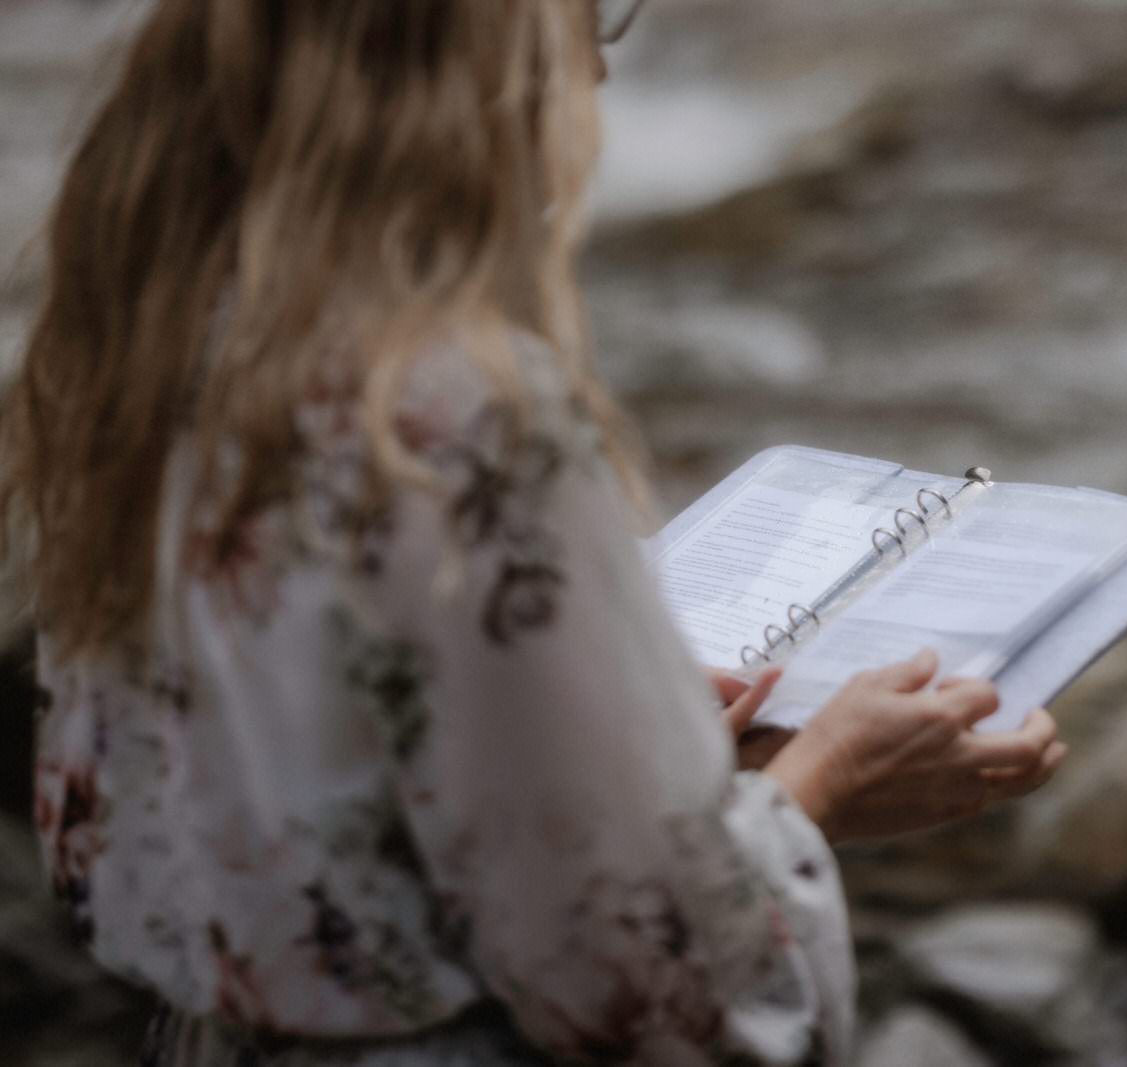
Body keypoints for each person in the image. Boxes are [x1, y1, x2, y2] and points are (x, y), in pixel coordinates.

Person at [1, 2, 1067, 1064]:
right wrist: (822, 782)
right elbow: (645, 986)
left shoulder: (140, 360)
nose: (599, 81)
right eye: (582, 29)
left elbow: (134, 832)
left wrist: (654, 755)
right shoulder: (458, 416)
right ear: (468, 74)